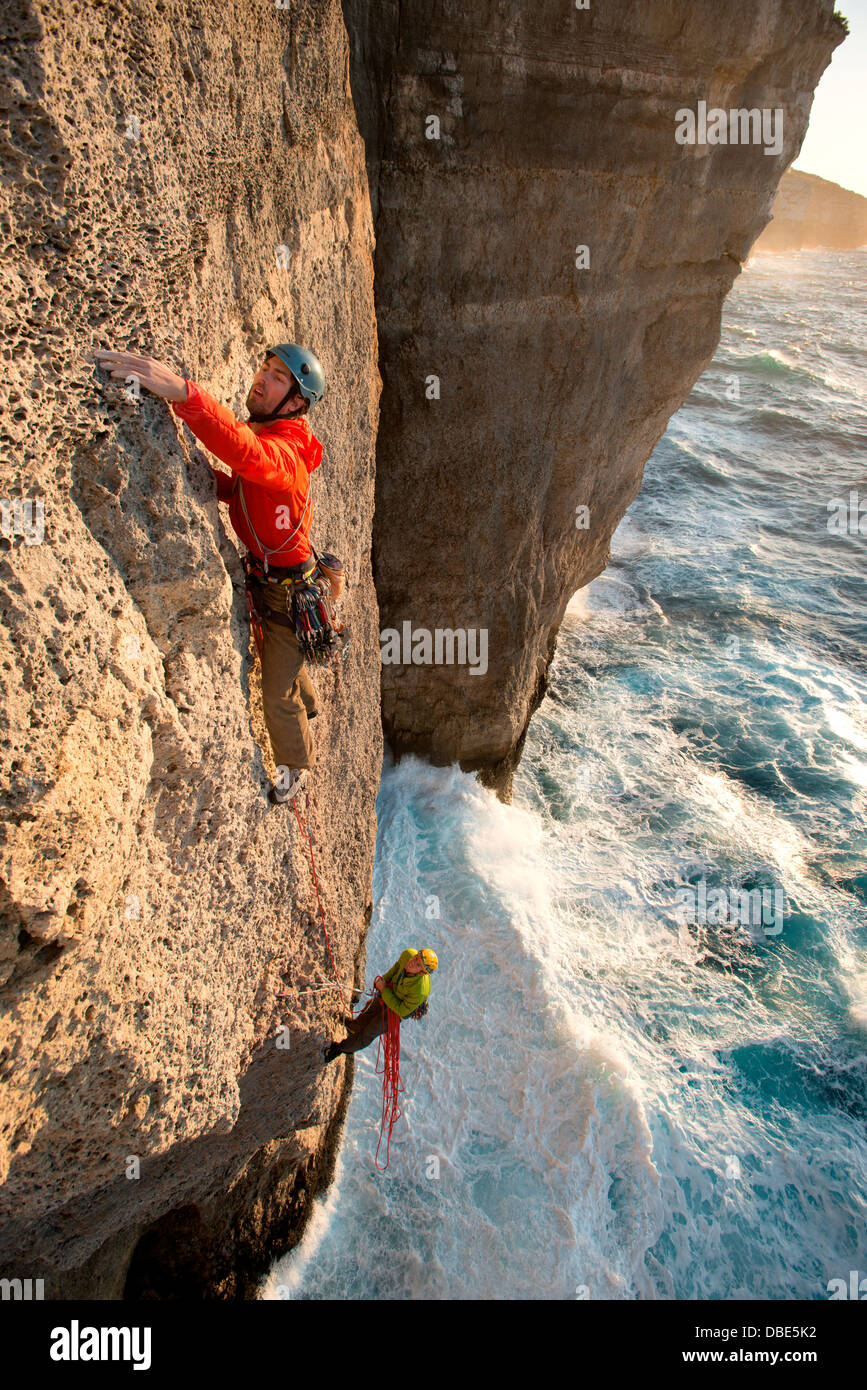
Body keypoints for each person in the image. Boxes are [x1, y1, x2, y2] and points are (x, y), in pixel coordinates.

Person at [94, 344, 327, 804]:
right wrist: (206, 479)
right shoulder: (275, 436)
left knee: (275, 691)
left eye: (279, 377)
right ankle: (313, 706)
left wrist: (184, 394)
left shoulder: (284, 455)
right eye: (266, 367)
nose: (262, 377)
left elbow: (251, 458)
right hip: (276, 580)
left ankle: (296, 766)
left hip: (288, 589)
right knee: (283, 651)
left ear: (297, 403)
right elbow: (246, 489)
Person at [324, 948, 439, 1062]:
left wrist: (384, 990)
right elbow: (395, 970)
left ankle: (339, 1049)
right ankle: (353, 1026)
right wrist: (383, 981)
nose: (413, 962)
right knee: (370, 1011)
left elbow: (401, 1010)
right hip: (392, 991)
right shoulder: (407, 955)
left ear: (422, 973)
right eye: (416, 958)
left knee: (370, 1030)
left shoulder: (420, 991)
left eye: (418, 965)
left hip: (400, 1010)